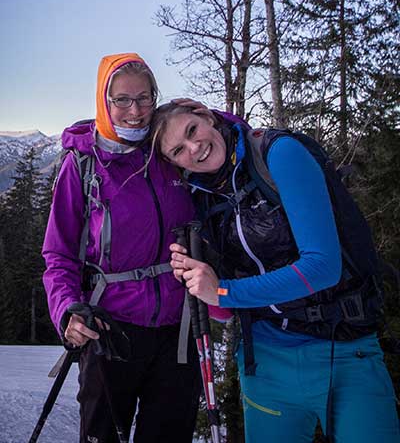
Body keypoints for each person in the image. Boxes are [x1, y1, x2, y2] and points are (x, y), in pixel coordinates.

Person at [151, 102, 400, 443]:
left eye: (192, 131)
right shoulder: (203, 199)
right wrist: (198, 278)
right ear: (174, 163)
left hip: (343, 351)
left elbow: (323, 267)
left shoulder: (278, 154)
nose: (194, 148)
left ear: (207, 117)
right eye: (178, 150)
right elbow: (224, 312)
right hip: (265, 362)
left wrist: (222, 290)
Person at [42, 54, 201, 443]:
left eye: (145, 99)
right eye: (122, 100)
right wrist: (66, 311)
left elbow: (220, 140)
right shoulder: (83, 164)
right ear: (104, 100)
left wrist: (210, 114)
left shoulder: (170, 153)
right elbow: (58, 254)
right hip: (108, 332)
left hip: (177, 334)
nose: (135, 111)